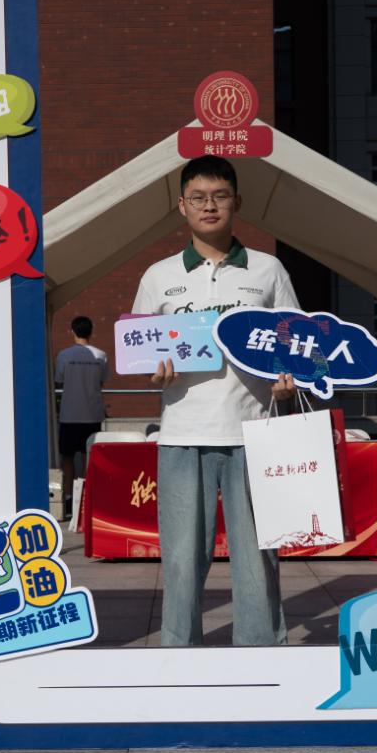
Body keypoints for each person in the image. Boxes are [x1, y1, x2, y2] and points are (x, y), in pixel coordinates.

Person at [132, 156, 297, 647]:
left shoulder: (268, 270)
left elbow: (294, 343)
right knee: (181, 561)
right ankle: (179, 655)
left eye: (220, 196)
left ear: (236, 202)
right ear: (181, 206)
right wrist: (155, 373)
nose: (209, 206)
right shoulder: (158, 276)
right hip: (182, 435)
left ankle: (261, 654)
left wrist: (288, 382)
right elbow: (140, 352)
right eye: (198, 197)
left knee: (257, 558)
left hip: (253, 433)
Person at [53, 316, 108, 511]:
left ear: (72, 331)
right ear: (91, 331)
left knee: (67, 457)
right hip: (92, 413)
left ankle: (69, 497)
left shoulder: (64, 355)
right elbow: (102, 380)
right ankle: (87, 497)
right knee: (88, 457)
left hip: (69, 414)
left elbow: (59, 380)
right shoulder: (101, 355)